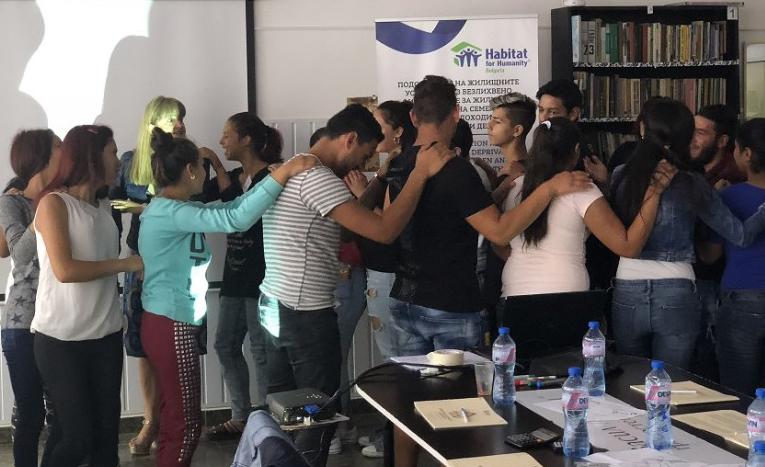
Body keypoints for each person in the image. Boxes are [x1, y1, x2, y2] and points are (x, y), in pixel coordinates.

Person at [383, 75, 590, 467]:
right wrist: (547, 189)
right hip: (452, 305)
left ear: (412, 116)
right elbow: (499, 230)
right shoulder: (455, 169)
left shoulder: (399, 165)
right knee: (466, 410)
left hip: (404, 299)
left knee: (407, 405)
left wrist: (494, 195)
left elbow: (431, 215)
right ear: (457, 113)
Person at [258, 103, 453, 467]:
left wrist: (379, 181)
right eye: (363, 155)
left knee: (284, 413)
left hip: (274, 304)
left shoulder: (291, 171)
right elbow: (383, 231)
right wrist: (419, 175)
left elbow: (345, 226)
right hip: (305, 316)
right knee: (316, 417)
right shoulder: (318, 178)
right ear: (349, 139)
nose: (360, 165)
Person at [138, 127, 315, 467]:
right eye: (203, 167)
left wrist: (271, 179)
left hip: (169, 321)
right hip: (170, 323)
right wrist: (287, 172)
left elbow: (232, 204)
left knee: (178, 418)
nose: (206, 174)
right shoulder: (171, 212)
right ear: (191, 170)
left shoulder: (174, 208)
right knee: (186, 424)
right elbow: (236, 218)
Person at [610, 98, 765, 370]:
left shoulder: (621, 176)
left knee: (628, 385)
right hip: (677, 289)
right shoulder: (691, 182)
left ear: (643, 129)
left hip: (627, 287)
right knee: (672, 386)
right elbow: (740, 235)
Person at [33, 125, 143, 467]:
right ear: (92, 157)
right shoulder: (54, 204)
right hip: (60, 341)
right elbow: (66, 271)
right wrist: (126, 264)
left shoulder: (105, 208)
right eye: (112, 152)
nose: (117, 161)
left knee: (105, 441)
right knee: (76, 436)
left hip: (106, 337)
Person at [499, 117, 675, 297]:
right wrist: (654, 192)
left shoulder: (515, 186)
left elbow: (499, 243)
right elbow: (628, 247)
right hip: (564, 293)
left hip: (513, 291)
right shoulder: (580, 188)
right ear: (576, 150)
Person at [109, 95, 189, 455]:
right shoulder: (129, 162)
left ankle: (175, 423)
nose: (180, 124)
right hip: (138, 261)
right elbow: (110, 206)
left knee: (174, 344)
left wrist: (146, 206)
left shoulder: (188, 158)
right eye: (174, 118)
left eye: (182, 118)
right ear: (154, 121)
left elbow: (197, 205)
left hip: (177, 261)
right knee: (141, 346)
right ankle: (150, 421)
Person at [203, 112, 284, 440]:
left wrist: (219, 168)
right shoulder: (234, 177)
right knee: (225, 344)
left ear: (246, 139)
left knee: (262, 351)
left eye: (227, 135)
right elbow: (201, 200)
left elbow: (240, 214)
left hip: (262, 280)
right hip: (233, 279)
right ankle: (240, 414)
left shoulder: (272, 176)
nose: (221, 142)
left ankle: (267, 420)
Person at [0, 129, 62, 467]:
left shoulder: (64, 199)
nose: (65, 154)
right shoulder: (11, 201)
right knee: (30, 412)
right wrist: (43, 210)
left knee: (63, 413)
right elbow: (20, 254)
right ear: (41, 157)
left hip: (57, 319)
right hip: (21, 324)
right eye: (58, 148)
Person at [699, 118, 765, 395]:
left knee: (738, 391)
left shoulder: (730, 197)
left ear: (747, 154)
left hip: (742, 298)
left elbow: (710, 256)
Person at [689, 104, 746, 381]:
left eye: (700, 132)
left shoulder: (733, 180)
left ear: (723, 141)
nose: (692, 139)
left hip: (717, 282)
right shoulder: (694, 172)